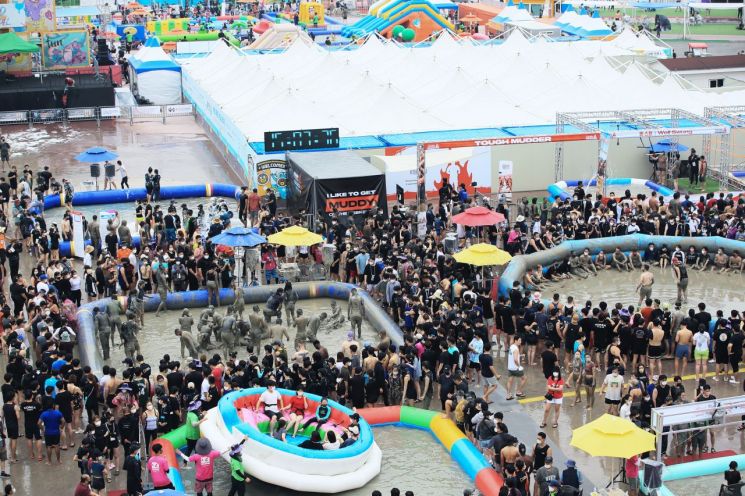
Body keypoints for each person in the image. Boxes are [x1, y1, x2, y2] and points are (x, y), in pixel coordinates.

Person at [505, 335, 526, 400]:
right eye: (519, 340)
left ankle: (508, 395)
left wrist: (521, 355)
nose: (520, 342)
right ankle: (518, 392)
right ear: (515, 340)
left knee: (509, 381)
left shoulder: (511, 346)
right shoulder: (516, 349)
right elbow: (515, 359)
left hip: (510, 367)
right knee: (524, 378)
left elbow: (514, 356)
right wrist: (519, 366)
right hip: (515, 368)